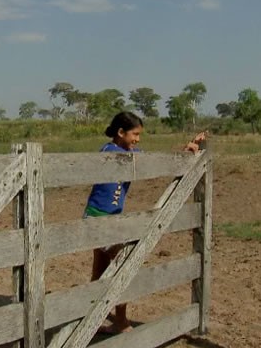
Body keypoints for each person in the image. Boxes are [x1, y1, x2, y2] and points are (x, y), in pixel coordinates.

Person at [84, 111, 206, 334]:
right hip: (100, 220)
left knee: (101, 271)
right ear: (121, 132)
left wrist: (186, 151)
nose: (137, 140)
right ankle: (119, 321)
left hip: (108, 218)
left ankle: (89, 318)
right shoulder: (109, 150)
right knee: (123, 263)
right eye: (135, 134)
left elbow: (154, 159)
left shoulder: (129, 151)